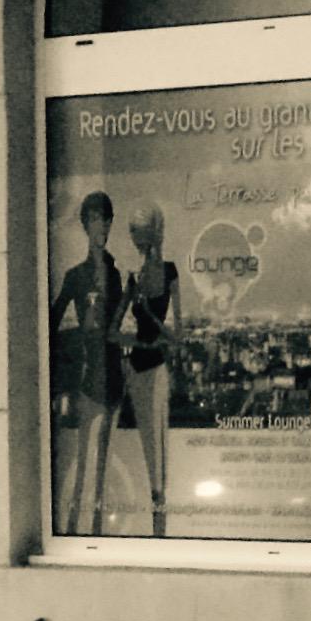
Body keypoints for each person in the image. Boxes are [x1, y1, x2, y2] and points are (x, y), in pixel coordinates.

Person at [47, 191, 123, 535]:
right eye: (94, 220)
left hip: (113, 381)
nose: (101, 226)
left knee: (101, 470)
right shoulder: (76, 276)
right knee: (81, 468)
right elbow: (51, 324)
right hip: (88, 379)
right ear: (85, 225)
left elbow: (116, 326)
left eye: (105, 220)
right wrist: (77, 349)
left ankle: (94, 533)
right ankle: (73, 531)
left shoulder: (115, 275)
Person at [122, 201, 181, 536]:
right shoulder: (135, 278)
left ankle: (160, 530)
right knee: (150, 455)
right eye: (137, 236)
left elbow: (176, 336)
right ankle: (156, 530)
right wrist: (138, 341)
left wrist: (149, 316)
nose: (141, 244)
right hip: (138, 369)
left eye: (143, 235)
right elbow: (114, 331)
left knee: (158, 459)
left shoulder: (169, 273)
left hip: (155, 370)